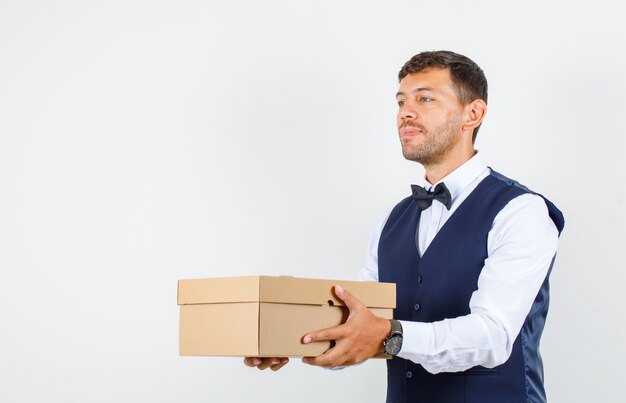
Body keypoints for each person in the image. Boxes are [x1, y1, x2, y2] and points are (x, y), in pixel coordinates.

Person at [244, 50, 564, 403]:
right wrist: (288, 339)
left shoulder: (521, 211)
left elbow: (493, 336)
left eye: (425, 98)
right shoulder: (391, 221)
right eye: (401, 101)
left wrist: (392, 334)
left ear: (472, 114)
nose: (405, 112)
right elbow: (359, 321)